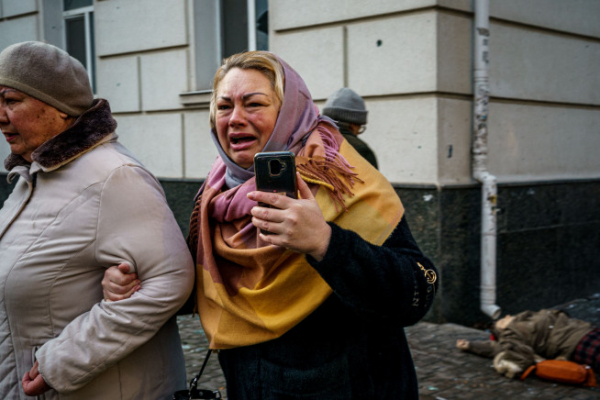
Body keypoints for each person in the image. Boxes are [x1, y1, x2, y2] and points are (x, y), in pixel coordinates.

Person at [103, 51, 438, 399]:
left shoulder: (342, 181)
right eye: (224, 106)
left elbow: (417, 290)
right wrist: (137, 281)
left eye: (254, 104)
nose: (235, 119)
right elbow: (202, 285)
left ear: (288, 111)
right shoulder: (215, 195)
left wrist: (325, 242)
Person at [0, 41, 194, 399]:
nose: (0, 115)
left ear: (58, 107)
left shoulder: (115, 177)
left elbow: (170, 281)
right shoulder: (32, 175)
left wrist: (62, 362)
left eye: (11, 100)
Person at [456, 309, 600, 378]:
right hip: (575, 342)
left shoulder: (527, 316)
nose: (507, 316)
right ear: (500, 330)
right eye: (501, 321)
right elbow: (501, 349)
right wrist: (471, 346)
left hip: (587, 329)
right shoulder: (511, 335)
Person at [322, 87, 378, 169]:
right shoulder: (360, 150)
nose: (357, 133)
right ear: (353, 124)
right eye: (360, 127)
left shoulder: (310, 141)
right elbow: (375, 181)